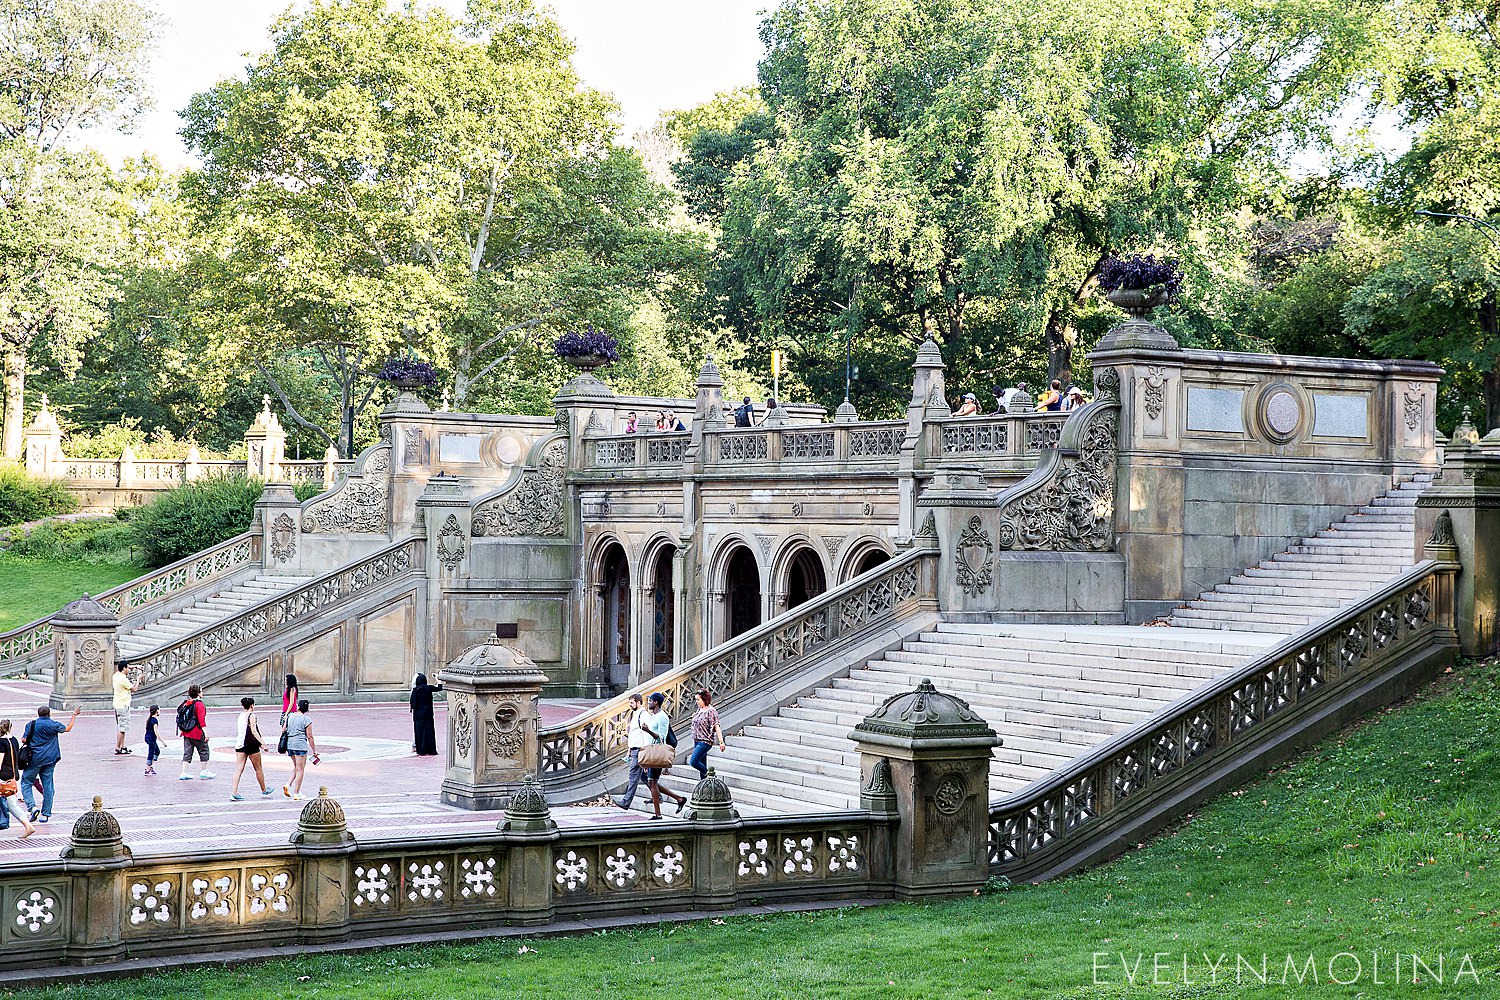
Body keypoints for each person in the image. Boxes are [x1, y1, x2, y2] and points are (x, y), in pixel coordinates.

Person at [20, 704, 81, 823]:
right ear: (49, 714)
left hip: (35, 758)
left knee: (26, 782)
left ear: (38, 714)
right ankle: (45, 814)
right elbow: (67, 728)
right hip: (50, 758)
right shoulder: (53, 724)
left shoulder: (31, 724)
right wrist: (74, 715)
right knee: (48, 785)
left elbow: (24, 740)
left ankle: (32, 807)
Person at [640, 692, 686, 819]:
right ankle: (679, 799)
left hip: (658, 753)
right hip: (651, 753)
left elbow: (661, 738)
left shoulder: (662, 717)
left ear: (656, 702)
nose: (648, 702)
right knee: (651, 782)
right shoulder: (653, 716)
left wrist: (648, 731)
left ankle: (658, 814)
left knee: (652, 782)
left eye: (650, 701)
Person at [230, 697, 275, 801]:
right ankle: (264, 789)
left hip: (240, 744)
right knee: (258, 768)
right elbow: (254, 731)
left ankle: (234, 792)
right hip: (250, 745)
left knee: (239, 769)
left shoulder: (240, 716)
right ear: (252, 705)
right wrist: (263, 744)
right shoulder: (252, 715)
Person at [611, 693, 650, 811]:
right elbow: (634, 734)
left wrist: (645, 753)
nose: (630, 705)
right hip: (634, 749)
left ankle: (626, 801)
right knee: (644, 777)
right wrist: (629, 749)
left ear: (638, 702)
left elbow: (646, 735)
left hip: (640, 750)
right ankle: (658, 795)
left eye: (632, 703)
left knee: (633, 775)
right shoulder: (635, 714)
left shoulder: (644, 715)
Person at [0, 721, 36, 839]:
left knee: (12, 805)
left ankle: (28, 826)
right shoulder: (14, 740)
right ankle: (28, 826)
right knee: (12, 805)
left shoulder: (1, 743)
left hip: (3, 776)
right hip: (11, 775)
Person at [280, 700, 320, 800]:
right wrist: (314, 750)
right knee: (301, 769)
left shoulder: (290, 716)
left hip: (290, 745)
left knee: (296, 766)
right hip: (300, 745)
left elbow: (283, 729)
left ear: (298, 707)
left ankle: (288, 784)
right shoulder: (307, 720)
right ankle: (297, 793)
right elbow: (310, 736)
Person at [687, 689, 726, 780]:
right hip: (697, 740)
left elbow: (716, 726)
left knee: (693, 761)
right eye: (696, 700)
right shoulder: (699, 710)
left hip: (705, 741)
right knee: (702, 763)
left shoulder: (711, 711)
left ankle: (711, 776)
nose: (697, 702)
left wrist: (721, 742)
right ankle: (704, 783)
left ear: (704, 699)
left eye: (698, 700)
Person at [177, 684, 214, 781]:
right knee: (204, 750)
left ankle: (184, 772)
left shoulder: (187, 703)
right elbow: (201, 720)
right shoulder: (199, 704)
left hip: (186, 732)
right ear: (198, 693)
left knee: (187, 752)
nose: (203, 692)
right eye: (201, 691)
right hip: (196, 732)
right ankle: (204, 771)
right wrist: (206, 733)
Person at [410, 673, 444, 756]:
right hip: (428, 714)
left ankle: (421, 750)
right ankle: (430, 749)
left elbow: (413, 704)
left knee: (419, 732)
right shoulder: (429, 688)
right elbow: (440, 688)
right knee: (429, 732)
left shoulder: (415, 690)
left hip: (418, 715)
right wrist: (438, 680)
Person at [112, 660, 138, 755]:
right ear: (124, 668)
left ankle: (123, 746)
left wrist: (136, 666)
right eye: (127, 668)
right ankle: (118, 747)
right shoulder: (123, 680)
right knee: (122, 728)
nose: (129, 669)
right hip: (123, 706)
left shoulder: (116, 675)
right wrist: (138, 679)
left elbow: (125, 667)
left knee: (122, 727)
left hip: (117, 704)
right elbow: (134, 689)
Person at [143, 705, 161, 775]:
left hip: (148, 737)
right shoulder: (154, 720)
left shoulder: (149, 719)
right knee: (151, 753)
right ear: (157, 711)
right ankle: (147, 768)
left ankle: (150, 766)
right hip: (151, 739)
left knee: (157, 751)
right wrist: (162, 741)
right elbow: (156, 732)